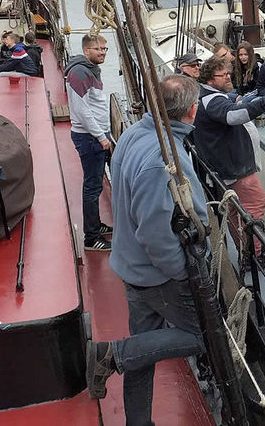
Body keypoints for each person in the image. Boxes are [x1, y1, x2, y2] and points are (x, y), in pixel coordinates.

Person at [85, 75, 209, 425]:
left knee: (145, 347)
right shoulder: (162, 158)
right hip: (159, 275)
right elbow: (155, 229)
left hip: (133, 266)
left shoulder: (134, 135)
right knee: (203, 337)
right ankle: (111, 355)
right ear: (192, 110)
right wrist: (180, 272)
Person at [194, 56, 265, 260]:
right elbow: (232, 116)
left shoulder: (209, 96)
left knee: (234, 210)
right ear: (209, 80)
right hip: (234, 167)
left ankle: (244, 249)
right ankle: (256, 255)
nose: (227, 77)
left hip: (225, 165)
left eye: (228, 73)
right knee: (255, 203)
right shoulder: (212, 101)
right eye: (222, 75)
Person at [66, 34, 114, 251]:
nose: (102, 52)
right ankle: (91, 238)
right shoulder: (78, 73)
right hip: (90, 138)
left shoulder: (90, 69)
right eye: (98, 49)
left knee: (94, 185)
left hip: (96, 135)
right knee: (93, 187)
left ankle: (96, 226)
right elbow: (81, 110)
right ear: (86, 51)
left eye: (104, 49)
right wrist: (102, 137)